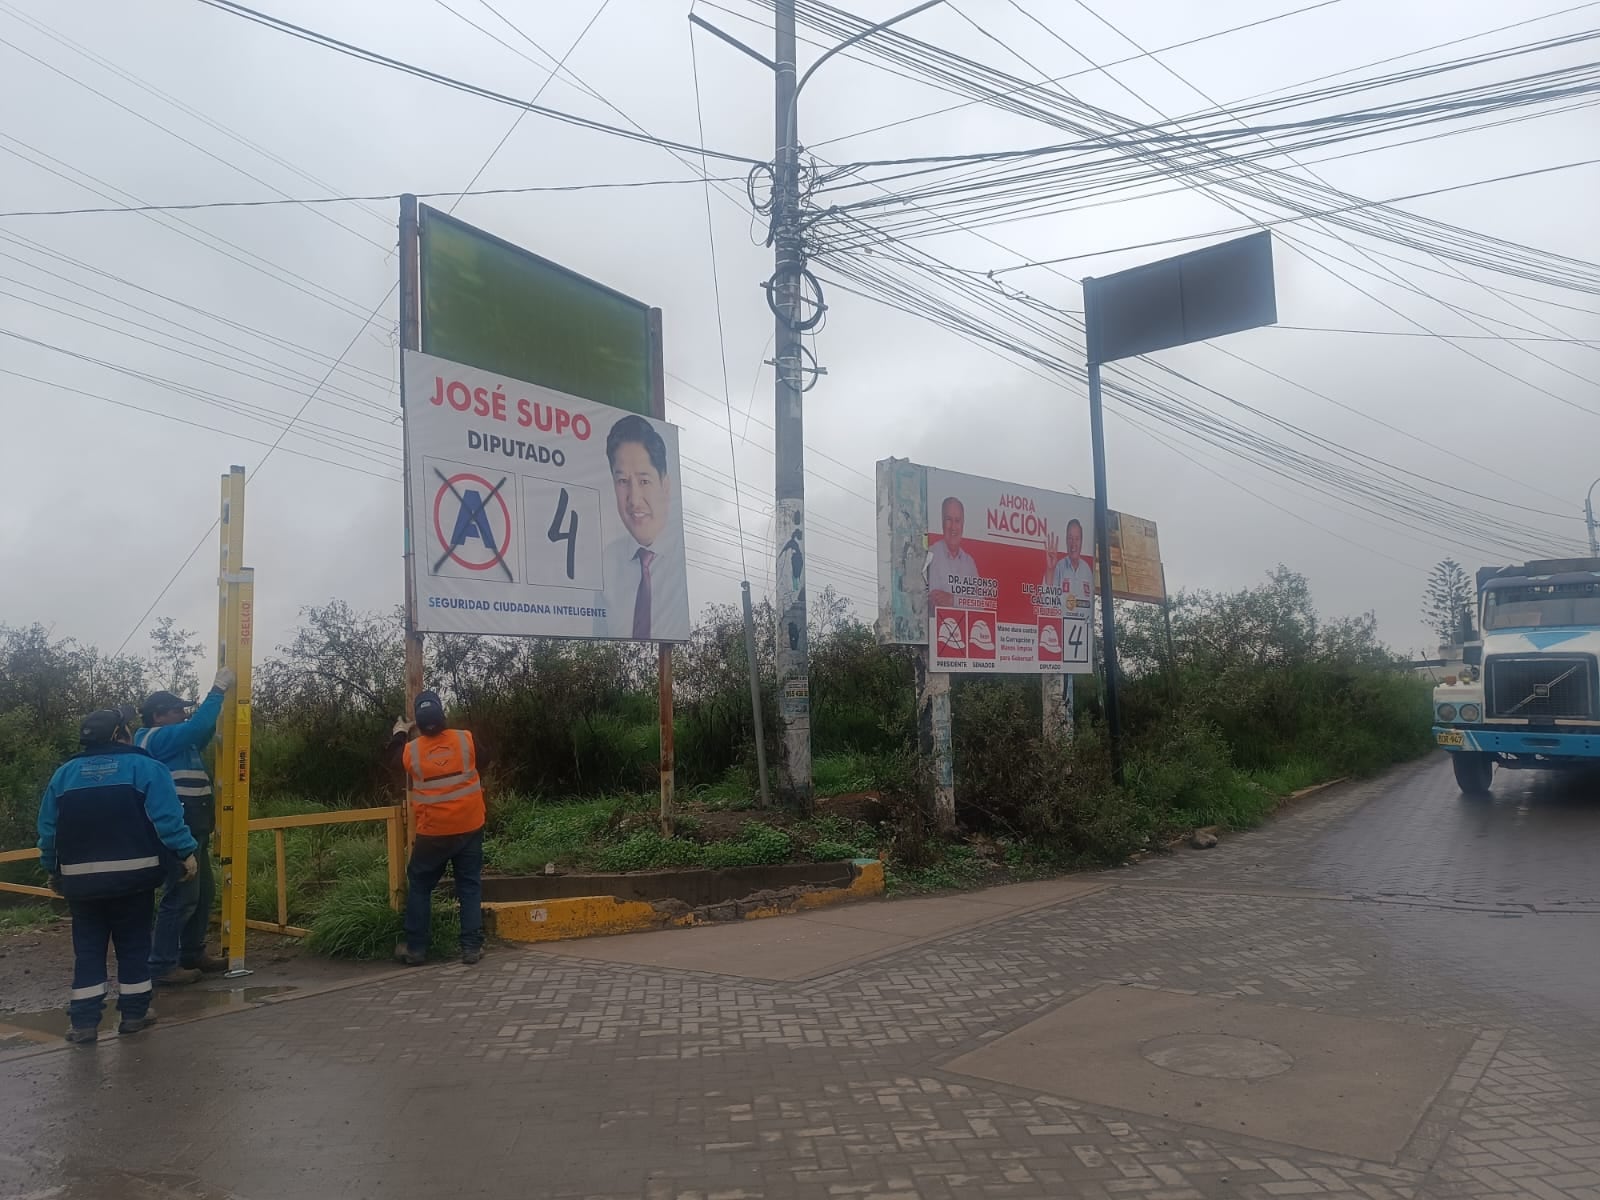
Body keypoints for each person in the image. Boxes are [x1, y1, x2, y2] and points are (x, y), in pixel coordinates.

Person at [37, 707, 198, 1046]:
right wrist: (185, 852)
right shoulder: (146, 768)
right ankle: (134, 1015)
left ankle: (83, 1023)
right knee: (134, 944)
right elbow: (167, 818)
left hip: (81, 883)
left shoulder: (64, 775)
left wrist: (52, 868)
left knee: (89, 949)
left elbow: (48, 830)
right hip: (133, 879)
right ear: (119, 735)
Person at [135, 667, 235, 986]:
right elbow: (198, 728)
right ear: (158, 716)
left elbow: (202, 731)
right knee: (181, 896)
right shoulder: (154, 738)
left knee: (203, 893)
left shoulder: (178, 742)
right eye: (178, 709)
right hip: (178, 831)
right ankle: (163, 964)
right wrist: (217, 691)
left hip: (196, 827)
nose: (183, 713)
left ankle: (192, 953)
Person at [386, 689, 489, 967]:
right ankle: (470, 947)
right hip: (469, 825)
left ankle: (416, 949)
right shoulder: (465, 739)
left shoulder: (411, 751)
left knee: (420, 886)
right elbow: (485, 760)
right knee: (468, 885)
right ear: (443, 715)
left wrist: (399, 732)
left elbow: (393, 760)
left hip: (433, 832)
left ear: (417, 723)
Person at [599, 414, 689, 641]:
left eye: (644, 481)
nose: (634, 499)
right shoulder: (606, 563)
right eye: (622, 482)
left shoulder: (683, 559)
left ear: (665, 485)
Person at [927, 496, 981, 610]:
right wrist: (964, 600)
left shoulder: (969, 562)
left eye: (957, 521)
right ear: (942, 522)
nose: (953, 527)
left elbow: (980, 604)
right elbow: (934, 600)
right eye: (948, 519)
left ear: (963, 524)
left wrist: (953, 600)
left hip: (966, 626)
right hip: (936, 627)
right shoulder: (931, 554)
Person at [1042, 518, 1096, 615]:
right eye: (1070, 538)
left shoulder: (1087, 570)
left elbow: (1091, 609)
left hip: (1084, 628)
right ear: (1066, 540)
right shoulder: (1058, 567)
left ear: (1081, 541)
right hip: (1062, 628)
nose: (1073, 544)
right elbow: (1046, 604)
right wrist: (1050, 569)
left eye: (1077, 539)